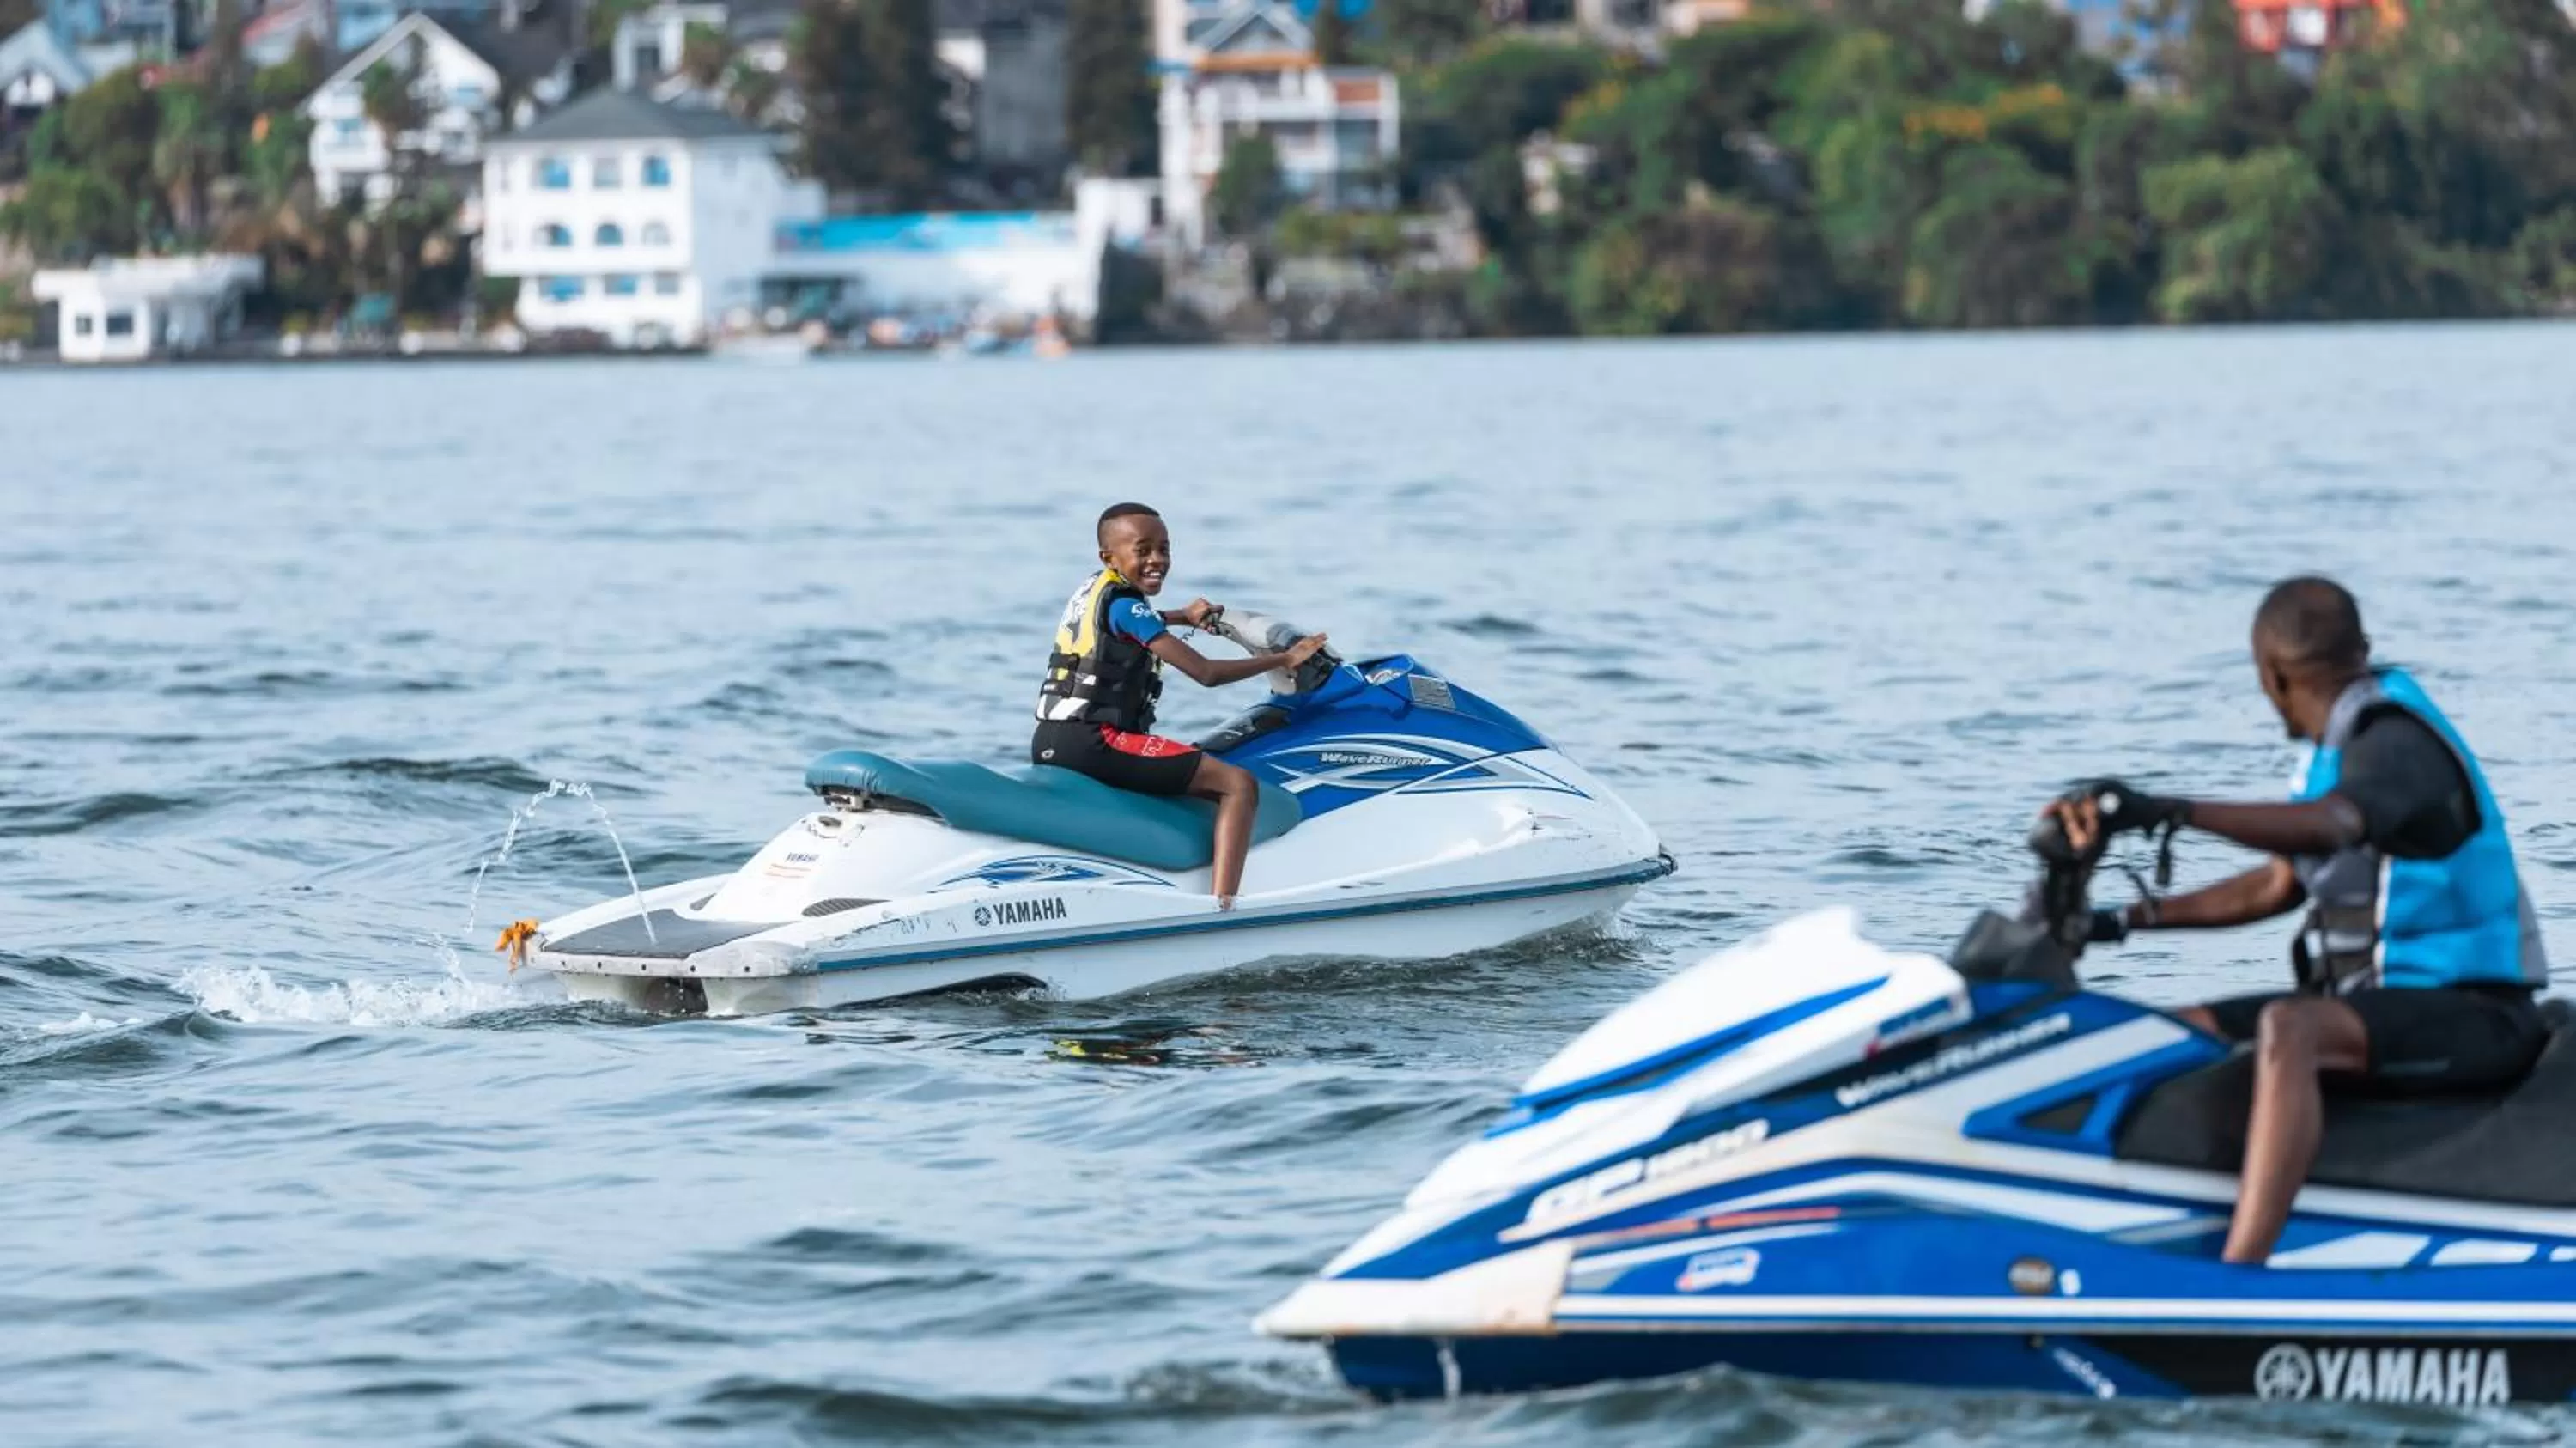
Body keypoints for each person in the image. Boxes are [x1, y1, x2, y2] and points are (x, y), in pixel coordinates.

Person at [2048, 575, 2548, 1266]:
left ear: (2270, 677)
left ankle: (2240, 1271)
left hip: (2476, 1014)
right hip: (2377, 1006)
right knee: (2170, 1032)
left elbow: (2330, 827)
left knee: (2291, 1028)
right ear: (2362, 650)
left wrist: (2173, 810)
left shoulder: (2396, 743)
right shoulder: (2333, 751)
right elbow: (2278, 883)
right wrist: (2121, 922)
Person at [1034, 503, 1327, 908]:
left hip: (1055, 738)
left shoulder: (1097, 591)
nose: (1157, 560)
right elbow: (1205, 673)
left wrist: (1184, 617)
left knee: (1187, 764)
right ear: (1110, 556)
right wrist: (1284, 659)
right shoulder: (1127, 605)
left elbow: (1133, 620)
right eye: (1143, 550)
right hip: (1097, 741)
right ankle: (1223, 905)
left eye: (1164, 549)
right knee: (1236, 784)